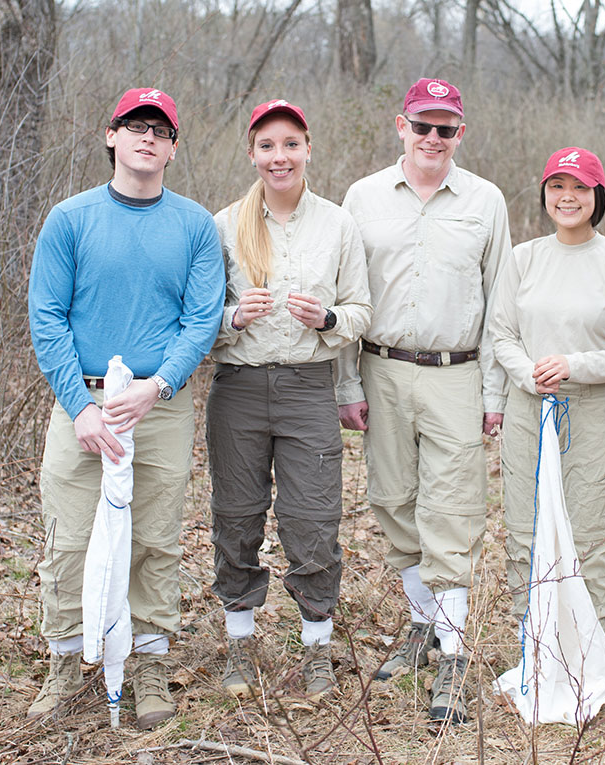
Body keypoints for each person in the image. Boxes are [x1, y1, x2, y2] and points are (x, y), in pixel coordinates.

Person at [28, 87, 226, 728]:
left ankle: (149, 668)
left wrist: (160, 384)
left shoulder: (194, 225)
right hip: (81, 400)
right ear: (111, 136)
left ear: (172, 147)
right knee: (71, 539)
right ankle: (63, 666)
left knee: (154, 541)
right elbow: (47, 316)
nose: (147, 138)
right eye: (135, 126)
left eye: (161, 130)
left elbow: (200, 322)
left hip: (159, 405)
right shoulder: (69, 219)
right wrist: (79, 407)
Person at [337, 77, 512, 724]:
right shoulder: (362, 197)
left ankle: (453, 651)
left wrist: (494, 390)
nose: (433, 138)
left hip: (456, 372)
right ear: (400, 126)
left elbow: (501, 302)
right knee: (392, 498)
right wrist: (346, 384)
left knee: (453, 506)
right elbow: (347, 292)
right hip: (380, 368)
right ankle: (420, 622)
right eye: (422, 125)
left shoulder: (486, 200)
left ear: (460, 133)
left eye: (446, 128)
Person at [206, 98, 372, 700]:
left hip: (308, 389)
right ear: (252, 153)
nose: (281, 157)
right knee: (237, 514)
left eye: (291, 144)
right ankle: (240, 644)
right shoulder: (222, 225)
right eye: (268, 146)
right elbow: (197, 319)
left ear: (308, 149)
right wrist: (232, 317)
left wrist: (329, 317)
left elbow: (361, 310)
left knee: (313, 519)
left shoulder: (338, 224)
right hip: (239, 391)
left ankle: (317, 649)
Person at [490, 147, 605, 640]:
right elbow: (502, 334)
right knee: (526, 523)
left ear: (598, 195)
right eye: (557, 186)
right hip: (528, 407)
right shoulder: (523, 257)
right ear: (544, 195)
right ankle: (531, 632)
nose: (567, 197)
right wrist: (529, 374)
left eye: (579, 187)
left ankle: (596, 638)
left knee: (588, 526)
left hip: (589, 409)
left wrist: (574, 366)